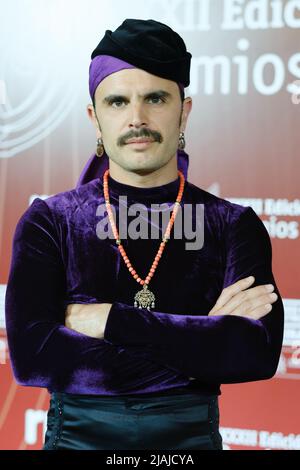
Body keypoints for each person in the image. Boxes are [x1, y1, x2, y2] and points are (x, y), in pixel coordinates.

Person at [5, 18, 284, 451]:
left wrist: (110, 321)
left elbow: (256, 353)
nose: (137, 118)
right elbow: (32, 357)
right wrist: (202, 339)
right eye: (117, 102)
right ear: (95, 120)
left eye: (155, 98)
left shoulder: (232, 225)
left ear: (183, 111)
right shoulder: (50, 221)